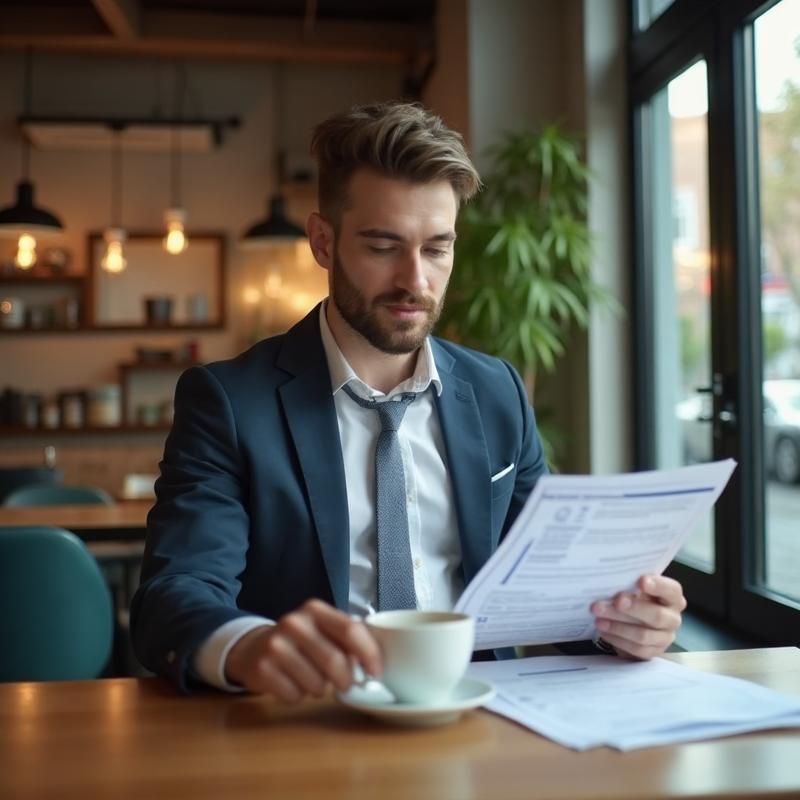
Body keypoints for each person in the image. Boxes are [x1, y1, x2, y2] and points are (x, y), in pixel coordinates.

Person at [131, 102, 686, 699]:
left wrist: (622, 625)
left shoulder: (498, 391)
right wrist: (247, 645)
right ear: (323, 241)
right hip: (307, 722)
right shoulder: (231, 402)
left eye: (436, 248)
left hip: (481, 716)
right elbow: (175, 593)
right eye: (382, 246)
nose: (414, 281)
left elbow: (551, 594)